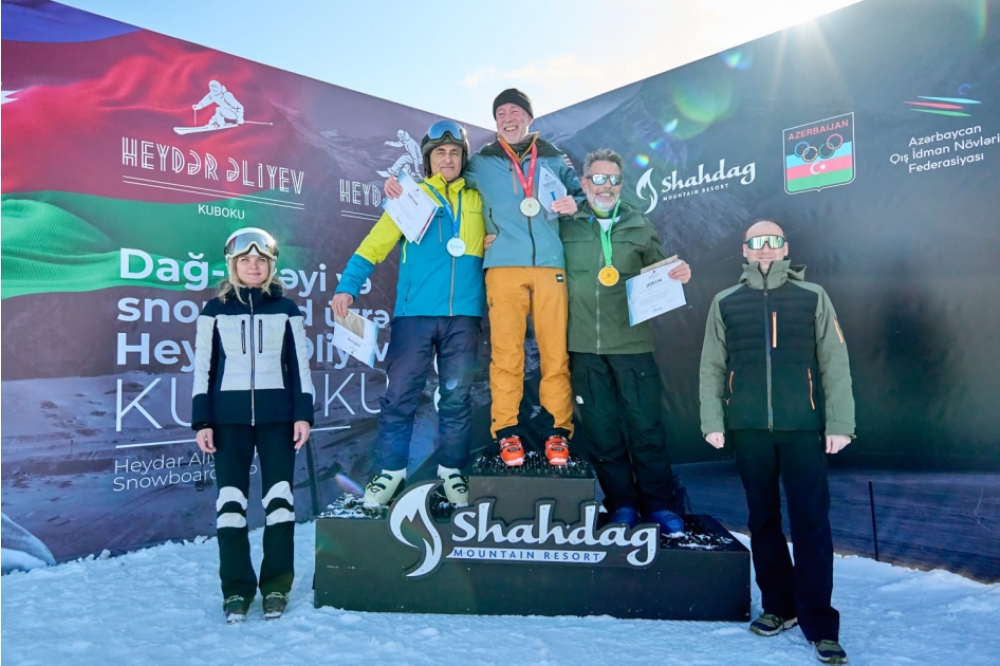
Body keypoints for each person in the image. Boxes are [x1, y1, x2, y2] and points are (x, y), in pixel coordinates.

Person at [386, 88, 583, 468]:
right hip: (502, 267)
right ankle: (506, 430)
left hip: (550, 266)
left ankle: (558, 431)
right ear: (495, 122)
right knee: (506, 354)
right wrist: (398, 187)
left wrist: (578, 202)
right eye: (500, 113)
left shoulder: (554, 157)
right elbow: (443, 180)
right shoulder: (480, 161)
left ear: (529, 117)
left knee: (555, 354)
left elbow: (583, 195)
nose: (508, 118)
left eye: (515, 111)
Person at [699, 220, 855, 665]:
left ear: (785, 249)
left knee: (811, 524)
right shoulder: (725, 301)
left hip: (803, 427)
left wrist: (840, 423)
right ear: (744, 251)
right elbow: (712, 365)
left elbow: (834, 362)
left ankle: (820, 624)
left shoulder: (812, 296)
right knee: (762, 521)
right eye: (756, 242)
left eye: (772, 241)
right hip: (748, 429)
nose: (764, 248)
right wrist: (713, 419)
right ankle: (779, 608)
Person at [332, 120, 486, 507]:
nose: (447, 159)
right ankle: (390, 473)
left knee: (456, 397)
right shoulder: (410, 197)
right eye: (440, 153)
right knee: (400, 396)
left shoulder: (479, 198)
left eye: (454, 153)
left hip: (464, 315)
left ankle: (453, 472)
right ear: (428, 160)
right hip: (413, 315)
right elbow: (374, 245)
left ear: (463, 158)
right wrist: (348, 286)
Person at [559, 148, 690, 534]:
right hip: (584, 347)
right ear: (585, 183)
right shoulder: (564, 224)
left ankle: (660, 505)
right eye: (599, 178)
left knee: (645, 428)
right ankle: (622, 504)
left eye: (614, 179)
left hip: (633, 347)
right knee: (602, 433)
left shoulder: (639, 223)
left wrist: (678, 272)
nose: (607, 186)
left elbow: (660, 270)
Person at [192, 227, 315, 624]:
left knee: (280, 503)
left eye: (261, 260)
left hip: (278, 418)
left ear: (271, 266)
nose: (253, 266)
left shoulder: (286, 309)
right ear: (233, 265)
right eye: (245, 260)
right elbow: (203, 368)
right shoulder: (214, 311)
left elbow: (299, 366)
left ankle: (276, 586)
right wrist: (202, 420)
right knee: (230, 507)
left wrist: (303, 414)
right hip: (227, 421)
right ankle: (236, 591)